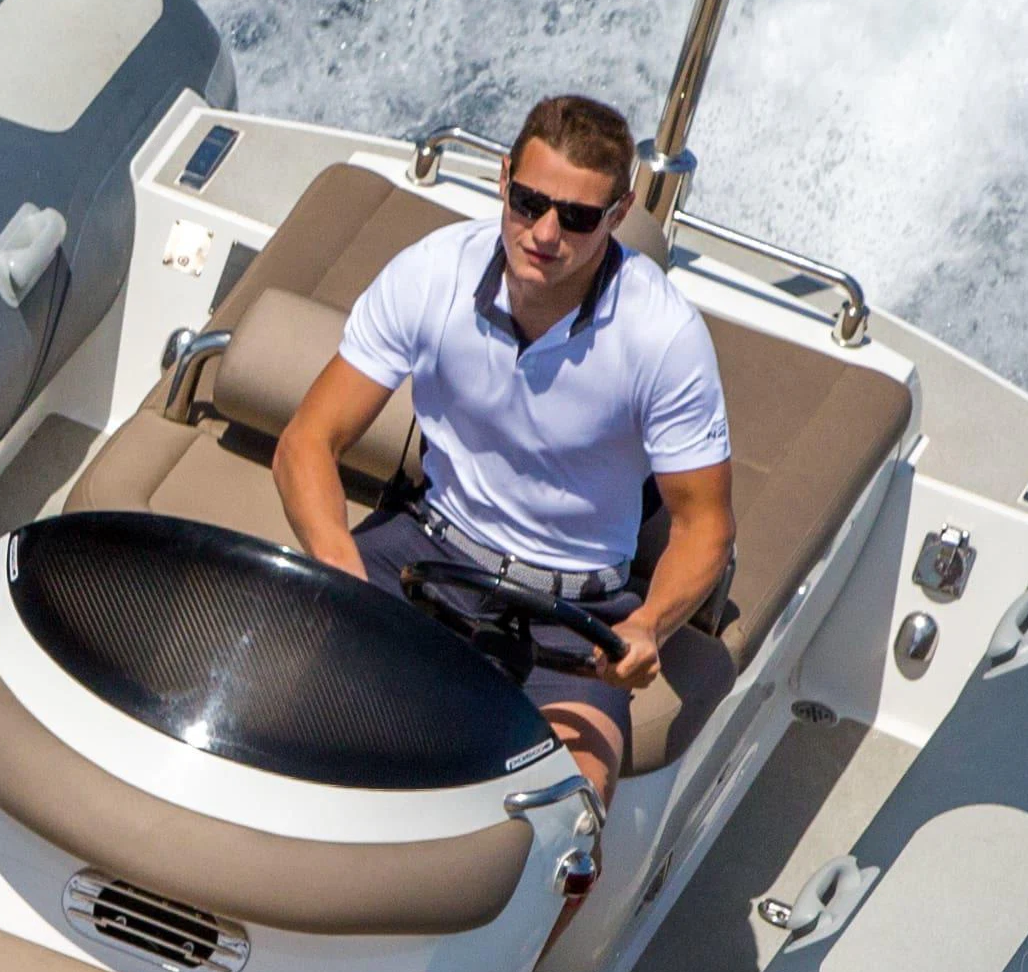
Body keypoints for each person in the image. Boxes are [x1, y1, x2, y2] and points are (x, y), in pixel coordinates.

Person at [268, 90, 735, 815]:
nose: (544, 233)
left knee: (564, 832)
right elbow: (307, 442)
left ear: (618, 214)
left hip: (575, 612)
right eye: (528, 203)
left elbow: (705, 526)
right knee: (275, 724)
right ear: (504, 179)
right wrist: (340, 571)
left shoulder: (663, 338)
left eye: (577, 217)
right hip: (419, 551)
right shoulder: (433, 273)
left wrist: (647, 626)